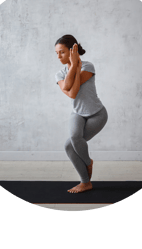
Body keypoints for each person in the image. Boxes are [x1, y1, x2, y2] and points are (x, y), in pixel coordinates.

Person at [54, 34, 108, 193]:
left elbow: (73, 89)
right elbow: (71, 93)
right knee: (69, 144)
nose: (58, 56)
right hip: (77, 113)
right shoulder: (59, 74)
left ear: (72, 51)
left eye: (62, 52)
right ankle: (86, 178)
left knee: (73, 141)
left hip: (97, 114)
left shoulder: (88, 66)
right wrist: (73, 67)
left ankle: (85, 177)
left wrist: (77, 66)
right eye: (56, 53)